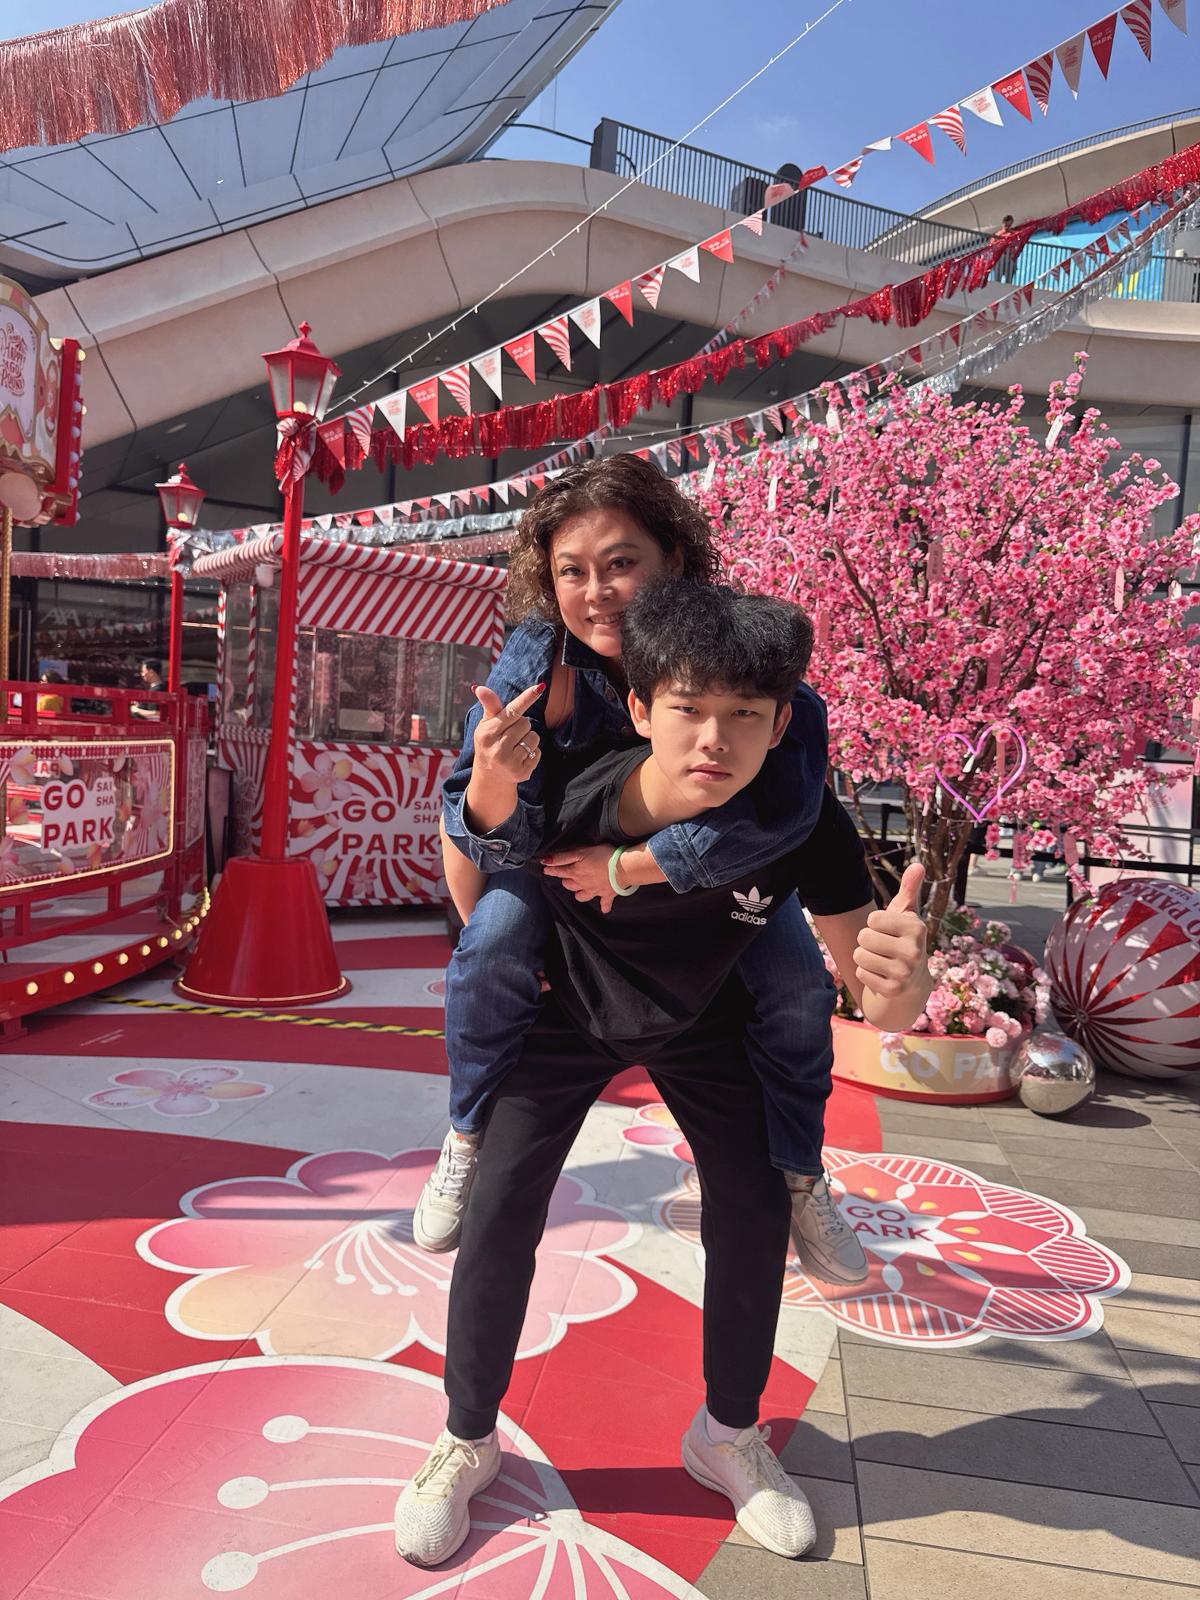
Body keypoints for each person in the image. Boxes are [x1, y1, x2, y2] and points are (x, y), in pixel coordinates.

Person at [394, 581, 932, 1567]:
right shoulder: (576, 792)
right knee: (500, 1207)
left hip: (704, 1020)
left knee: (753, 1204)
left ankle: (728, 1433)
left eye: (746, 715)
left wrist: (900, 984)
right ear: (641, 709)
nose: (713, 740)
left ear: (783, 724)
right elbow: (472, 867)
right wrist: (488, 799)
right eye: (689, 708)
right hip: (566, 1014)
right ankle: (466, 1437)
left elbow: (875, 991)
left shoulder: (799, 816)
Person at [420, 455, 868, 1287]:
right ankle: (467, 1133)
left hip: (711, 884)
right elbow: (476, 821)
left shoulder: (737, 649)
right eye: (571, 571)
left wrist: (640, 865)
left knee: (799, 987)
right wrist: (494, 782)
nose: (597, 592)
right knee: (492, 945)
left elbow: (784, 816)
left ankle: (801, 1173)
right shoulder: (543, 660)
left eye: (621, 563)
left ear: (676, 560)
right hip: (562, 876)